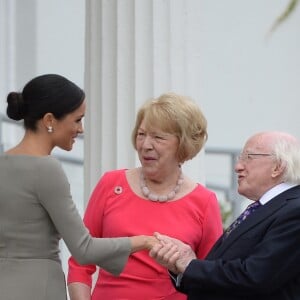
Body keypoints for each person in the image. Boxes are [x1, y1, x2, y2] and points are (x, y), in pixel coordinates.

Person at [0, 74, 157, 300]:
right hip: (38, 289)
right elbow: (84, 249)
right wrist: (145, 241)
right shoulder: (47, 169)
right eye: (77, 120)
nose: (81, 129)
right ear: (49, 120)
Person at [67, 92, 223, 299]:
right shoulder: (111, 184)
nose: (145, 145)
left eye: (158, 137)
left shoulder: (204, 202)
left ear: (183, 144)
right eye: (141, 134)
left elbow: (211, 279)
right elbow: (80, 261)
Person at [150, 131, 300, 300]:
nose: (238, 167)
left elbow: (255, 276)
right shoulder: (266, 208)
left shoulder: (294, 211)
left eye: (249, 157)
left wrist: (191, 266)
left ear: (277, 167)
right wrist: (183, 262)